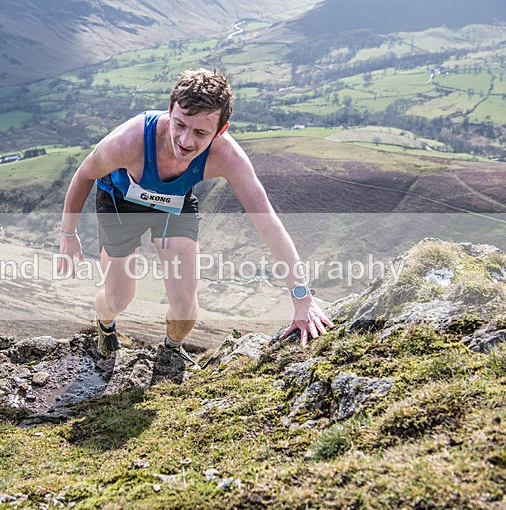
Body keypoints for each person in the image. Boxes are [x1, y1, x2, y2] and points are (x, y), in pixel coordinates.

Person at [58, 69, 333, 363]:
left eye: (201, 133)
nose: (186, 141)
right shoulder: (131, 140)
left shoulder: (227, 157)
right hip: (120, 202)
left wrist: (302, 297)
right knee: (117, 298)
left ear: (221, 130)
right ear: (169, 111)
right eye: (179, 125)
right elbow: (85, 174)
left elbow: (267, 222)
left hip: (173, 205)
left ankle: (170, 353)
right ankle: (106, 325)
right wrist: (68, 233)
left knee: (185, 307)